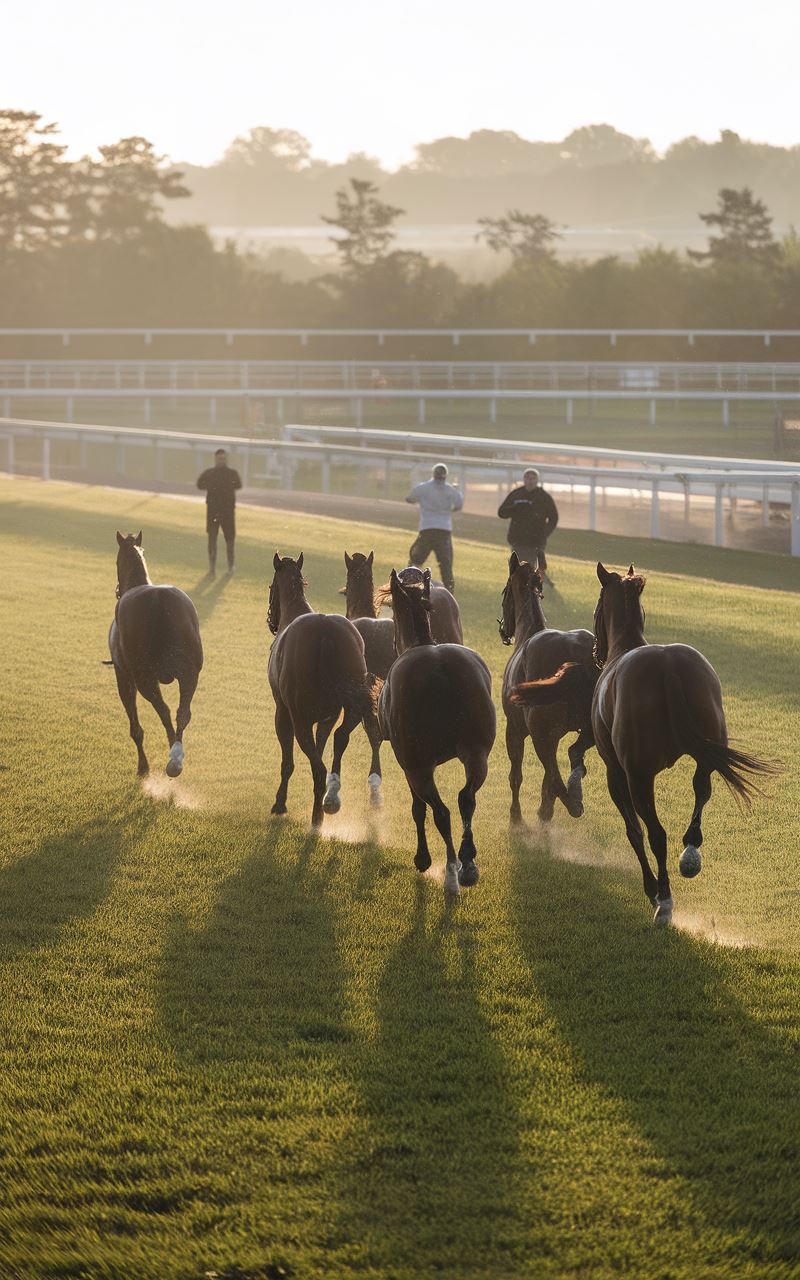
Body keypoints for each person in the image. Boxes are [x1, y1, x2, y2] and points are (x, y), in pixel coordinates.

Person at [406, 462, 463, 593]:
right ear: (445, 476)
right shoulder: (451, 490)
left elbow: (410, 498)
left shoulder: (423, 487)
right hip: (444, 531)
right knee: (446, 566)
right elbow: (459, 505)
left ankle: (407, 586)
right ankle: (449, 593)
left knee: (415, 560)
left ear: (433, 474)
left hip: (427, 529)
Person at [498, 468, 559, 574]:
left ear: (537, 480)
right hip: (518, 539)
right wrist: (515, 508)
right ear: (524, 479)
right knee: (517, 569)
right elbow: (501, 513)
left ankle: (537, 584)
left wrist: (544, 534)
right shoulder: (516, 494)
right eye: (527, 478)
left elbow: (554, 518)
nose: (530, 480)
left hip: (535, 540)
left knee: (532, 569)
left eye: (532, 478)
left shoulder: (544, 497)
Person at [197, 448, 242, 576]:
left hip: (227, 512)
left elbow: (238, 484)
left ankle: (231, 567)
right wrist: (212, 486)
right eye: (219, 458)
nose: (221, 461)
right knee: (212, 539)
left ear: (225, 459)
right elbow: (200, 484)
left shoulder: (232, 473)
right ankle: (212, 568)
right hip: (213, 511)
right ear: (215, 459)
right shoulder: (210, 473)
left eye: (223, 458)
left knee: (230, 540)